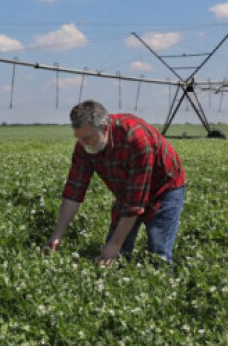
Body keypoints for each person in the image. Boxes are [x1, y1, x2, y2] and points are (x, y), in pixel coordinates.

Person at [47, 100, 186, 266]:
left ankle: (161, 281)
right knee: (116, 256)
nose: (82, 144)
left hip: (165, 188)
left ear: (105, 128)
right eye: (79, 138)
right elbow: (73, 192)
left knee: (158, 252)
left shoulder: (135, 138)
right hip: (127, 191)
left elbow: (135, 202)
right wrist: (57, 235)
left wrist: (114, 244)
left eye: (87, 138)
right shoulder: (84, 147)